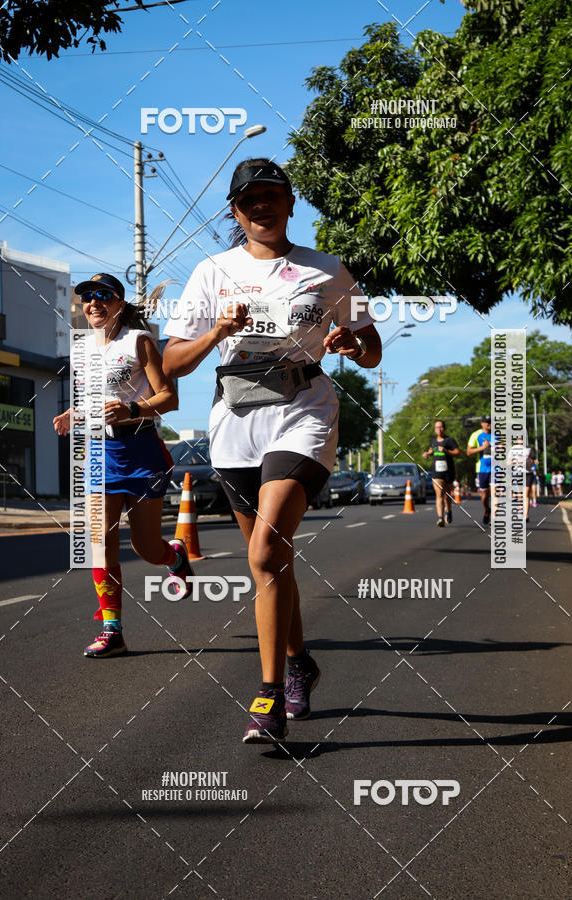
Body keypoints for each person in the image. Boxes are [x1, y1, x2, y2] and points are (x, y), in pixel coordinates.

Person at [163, 158, 382, 744]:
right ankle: (299, 663)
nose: (261, 206)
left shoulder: (327, 270)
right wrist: (215, 332)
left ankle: (267, 696)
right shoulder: (213, 272)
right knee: (272, 563)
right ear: (234, 212)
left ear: (290, 205)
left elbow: (373, 349)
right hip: (235, 418)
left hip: (303, 408)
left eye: (272, 196)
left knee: (264, 551)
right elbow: (172, 362)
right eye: (249, 199)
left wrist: (350, 340)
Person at [53, 273, 192, 658]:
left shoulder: (138, 340)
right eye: (87, 298)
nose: (93, 303)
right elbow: (97, 401)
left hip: (142, 451)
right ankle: (112, 630)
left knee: (145, 547)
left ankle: (175, 556)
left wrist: (133, 409)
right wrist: (73, 414)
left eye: (102, 296)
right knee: (100, 543)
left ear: (118, 303)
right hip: (100, 452)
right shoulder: (81, 349)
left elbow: (168, 398)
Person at [422, 419, 460, 526]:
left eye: (441, 427)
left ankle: (448, 511)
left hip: (448, 471)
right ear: (435, 429)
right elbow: (431, 450)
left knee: (447, 496)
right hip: (436, 472)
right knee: (439, 494)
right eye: (437, 427)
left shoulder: (450, 440)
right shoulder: (433, 441)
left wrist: (447, 451)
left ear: (444, 428)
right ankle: (440, 518)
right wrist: (427, 454)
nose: (439, 429)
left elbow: (458, 453)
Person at [467, 415, 498, 525]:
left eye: (490, 421)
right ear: (482, 423)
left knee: (495, 493)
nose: (489, 423)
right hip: (482, 468)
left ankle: (494, 519)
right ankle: (487, 509)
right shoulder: (476, 435)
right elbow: (468, 452)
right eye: (487, 422)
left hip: (496, 468)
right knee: (484, 495)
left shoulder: (498, 434)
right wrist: (482, 448)